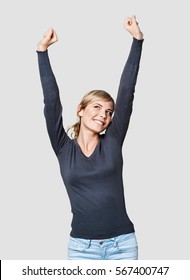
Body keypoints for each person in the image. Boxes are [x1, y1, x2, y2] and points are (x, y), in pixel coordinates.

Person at [37, 15, 144, 260]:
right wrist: (42, 52)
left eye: (108, 111)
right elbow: (51, 103)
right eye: (96, 107)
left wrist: (137, 41)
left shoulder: (113, 141)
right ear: (81, 109)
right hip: (81, 249)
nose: (103, 115)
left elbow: (126, 93)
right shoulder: (63, 147)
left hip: (123, 246)